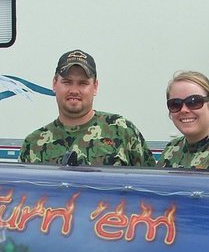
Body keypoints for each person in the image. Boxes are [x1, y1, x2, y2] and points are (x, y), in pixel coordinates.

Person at [19, 50, 155, 166]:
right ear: (54, 84)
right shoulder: (33, 144)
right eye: (67, 82)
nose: (74, 90)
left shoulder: (121, 130)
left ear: (95, 87)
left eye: (83, 83)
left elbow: (151, 182)